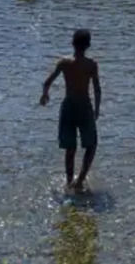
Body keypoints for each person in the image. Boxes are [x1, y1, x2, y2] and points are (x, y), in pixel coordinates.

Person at [40, 28, 102, 193]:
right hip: (84, 107)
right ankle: (80, 180)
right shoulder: (91, 65)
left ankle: (69, 182)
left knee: (70, 147)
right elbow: (97, 89)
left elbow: (47, 82)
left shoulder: (64, 62)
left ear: (72, 43)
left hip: (68, 106)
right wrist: (97, 109)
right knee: (91, 145)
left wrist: (45, 95)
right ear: (88, 45)